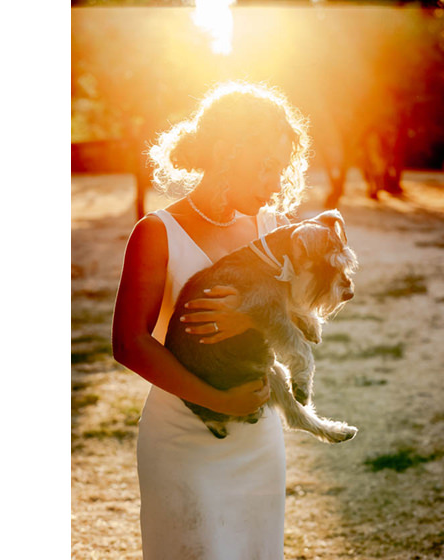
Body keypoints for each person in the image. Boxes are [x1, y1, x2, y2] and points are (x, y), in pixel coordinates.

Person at [111, 82, 311, 559]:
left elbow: (302, 320)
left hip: (259, 440)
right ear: (226, 152)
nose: (275, 184)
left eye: (282, 170)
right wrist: (218, 398)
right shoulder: (157, 232)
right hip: (182, 439)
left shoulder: (272, 229)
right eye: (267, 167)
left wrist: (249, 320)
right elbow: (130, 342)